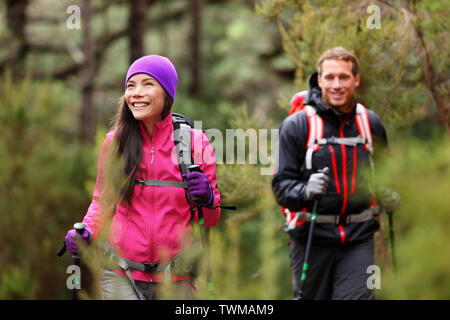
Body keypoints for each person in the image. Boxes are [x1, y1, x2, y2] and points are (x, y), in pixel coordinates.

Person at [64, 55, 221, 300]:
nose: (136, 93)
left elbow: (210, 220)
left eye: (148, 84)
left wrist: (208, 197)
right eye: (130, 86)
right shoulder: (115, 143)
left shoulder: (195, 143)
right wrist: (87, 232)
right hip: (120, 274)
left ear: (167, 93)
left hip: (177, 279)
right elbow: (103, 201)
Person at [272, 47, 391, 300]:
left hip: (359, 238)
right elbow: (281, 187)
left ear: (356, 80)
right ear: (319, 79)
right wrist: (305, 190)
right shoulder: (297, 125)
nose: (337, 84)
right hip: (311, 238)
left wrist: (389, 195)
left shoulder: (370, 123)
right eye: (330, 77)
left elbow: (383, 178)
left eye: (344, 77)